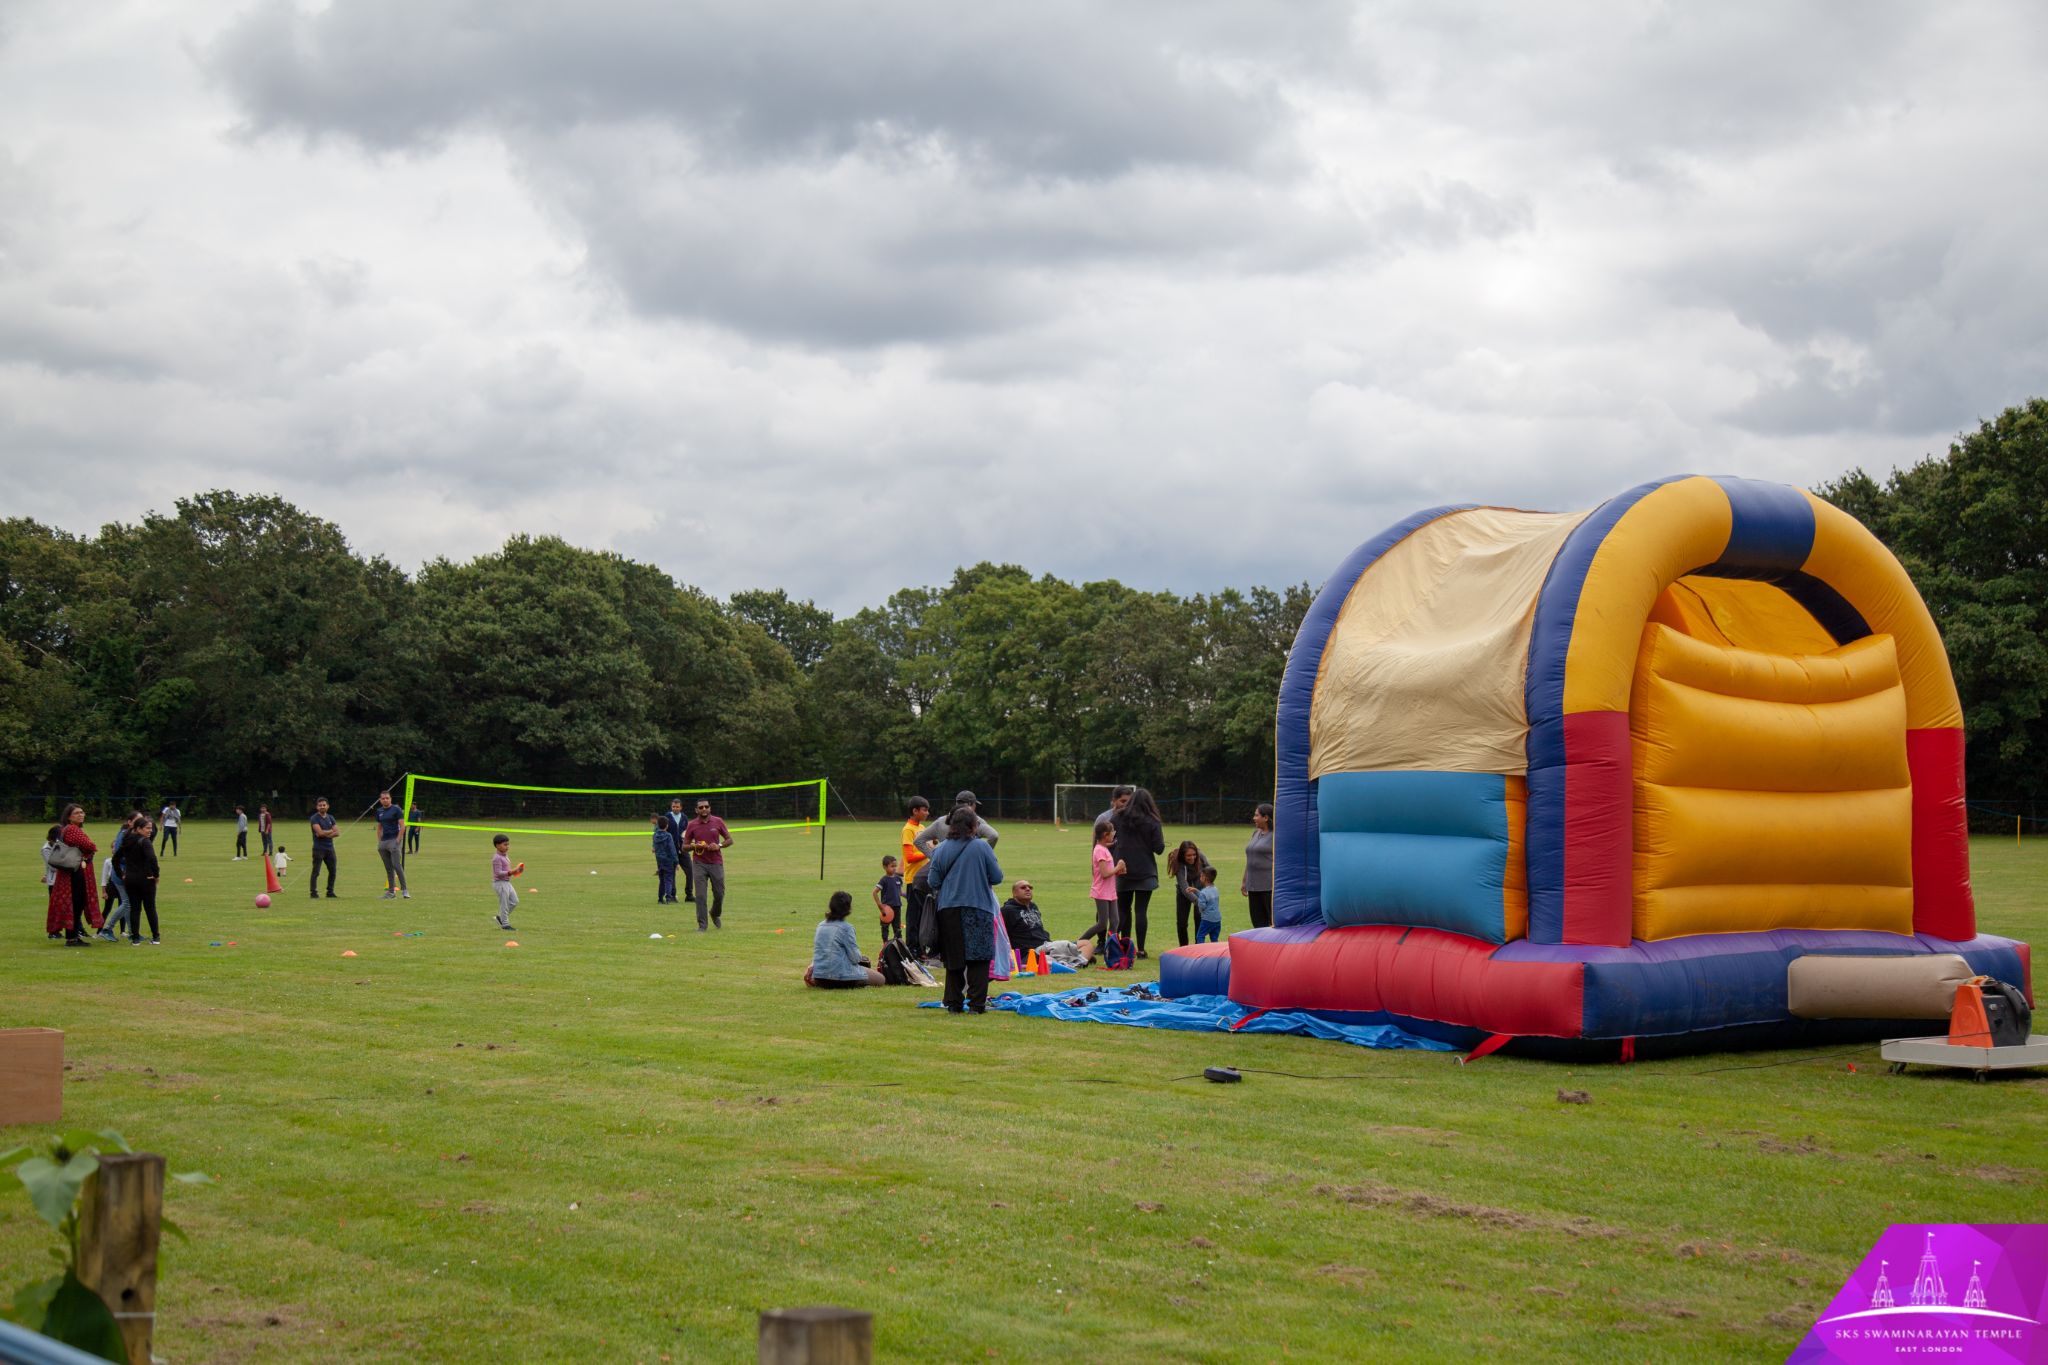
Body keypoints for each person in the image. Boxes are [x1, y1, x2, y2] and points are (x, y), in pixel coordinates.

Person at [925, 805, 1004, 1014]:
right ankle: (977, 1005)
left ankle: (953, 1003)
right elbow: (997, 877)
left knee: (954, 959)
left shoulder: (940, 849)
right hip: (978, 907)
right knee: (979, 958)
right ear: (972, 826)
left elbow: (933, 880)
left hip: (949, 909)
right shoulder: (982, 847)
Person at [1112, 788, 1166, 957]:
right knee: (1141, 911)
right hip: (1145, 870)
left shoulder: (1118, 818)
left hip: (1122, 870)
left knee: (1123, 910)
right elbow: (1159, 849)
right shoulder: (1152, 821)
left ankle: (1122, 946)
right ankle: (1141, 949)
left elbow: (1111, 840)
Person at [44, 803, 101, 946]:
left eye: (82, 812)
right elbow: (90, 846)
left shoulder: (68, 829)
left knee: (77, 903)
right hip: (75, 872)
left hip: (73, 871)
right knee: (77, 903)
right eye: (77, 813)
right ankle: (72, 938)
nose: (81, 815)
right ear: (69, 817)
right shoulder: (72, 829)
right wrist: (91, 848)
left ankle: (73, 936)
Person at [805, 891, 886, 988]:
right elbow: (855, 958)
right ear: (848, 908)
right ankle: (859, 984)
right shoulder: (846, 928)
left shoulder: (820, 925)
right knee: (881, 979)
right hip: (840, 977)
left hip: (820, 977)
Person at [683, 798, 732, 930]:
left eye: (706, 806)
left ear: (710, 808)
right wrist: (695, 845)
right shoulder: (692, 825)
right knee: (700, 896)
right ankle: (702, 925)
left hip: (716, 862)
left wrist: (719, 845)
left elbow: (729, 840)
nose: (704, 809)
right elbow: (684, 846)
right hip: (699, 863)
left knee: (719, 893)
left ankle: (715, 914)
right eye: (701, 807)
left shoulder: (718, 821)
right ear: (696, 810)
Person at [116, 817, 161, 944]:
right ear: (138, 829)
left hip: (130, 880)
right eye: (147, 828)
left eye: (151, 828)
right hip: (146, 879)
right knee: (150, 908)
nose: (150, 831)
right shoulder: (145, 842)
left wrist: (121, 874)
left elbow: (115, 859)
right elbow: (152, 859)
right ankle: (155, 937)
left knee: (135, 909)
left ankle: (135, 938)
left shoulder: (127, 841)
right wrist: (156, 875)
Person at [1169, 840, 1217, 948]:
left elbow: (1210, 871)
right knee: (1182, 923)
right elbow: (1184, 887)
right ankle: (1183, 949)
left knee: (1199, 921)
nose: (1192, 858)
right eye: (1188, 855)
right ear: (1183, 855)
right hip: (1184, 892)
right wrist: (1197, 901)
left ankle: (1198, 948)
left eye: (1194, 854)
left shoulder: (1200, 856)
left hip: (1200, 890)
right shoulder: (1178, 863)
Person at [1081, 822, 1122, 945]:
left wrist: (1119, 870)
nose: (1114, 834)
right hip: (1101, 892)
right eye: (1112, 832)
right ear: (1105, 835)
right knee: (1102, 923)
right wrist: (1118, 867)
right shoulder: (1099, 850)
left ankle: (1111, 949)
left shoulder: (1104, 848)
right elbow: (1104, 874)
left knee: (1115, 921)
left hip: (1110, 891)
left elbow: (1109, 872)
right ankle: (1078, 943)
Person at [98, 815, 136, 942]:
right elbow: (119, 856)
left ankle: (132, 933)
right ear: (129, 822)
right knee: (126, 903)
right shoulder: (124, 835)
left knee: (128, 904)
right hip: (122, 874)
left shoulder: (129, 834)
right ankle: (107, 929)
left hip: (124, 873)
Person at [898, 797, 931, 944]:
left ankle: (922, 947)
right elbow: (909, 856)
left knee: (924, 915)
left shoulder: (923, 828)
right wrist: (929, 851)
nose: (927, 813)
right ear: (915, 811)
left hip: (925, 879)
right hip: (913, 879)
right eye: (924, 810)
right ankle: (912, 949)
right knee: (913, 916)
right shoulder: (908, 830)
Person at [1242, 802, 1275, 929]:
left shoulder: (1276, 836)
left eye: (1256, 815)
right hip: (1253, 886)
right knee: (1257, 923)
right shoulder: (1255, 833)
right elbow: (1250, 859)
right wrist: (1244, 881)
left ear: (1266, 818)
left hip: (1269, 887)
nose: (1254, 818)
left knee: (1271, 924)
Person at [999, 879, 1050, 959]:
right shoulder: (1007, 911)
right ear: (1014, 893)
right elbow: (1001, 936)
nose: (1028, 889)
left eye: (1030, 887)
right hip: (1029, 953)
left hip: (1045, 946)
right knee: (1064, 946)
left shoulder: (1033, 906)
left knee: (1072, 946)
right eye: (1023, 887)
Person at [374, 791, 409, 899]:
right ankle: (391, 892)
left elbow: (402, 826)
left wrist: (398, 839)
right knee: (388, 868)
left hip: (394, 840)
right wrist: (380, 841)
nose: (385, 800)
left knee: (396, 865)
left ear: (390, 799)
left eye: (387, 798)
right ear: (380, 800)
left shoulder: (396, 809)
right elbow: (379, 827)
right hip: (384, 842)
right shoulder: (379, 811)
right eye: (383, 798)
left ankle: (405, 890)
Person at [663, 798, 694, 904]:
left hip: (683, 850)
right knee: (671, 873)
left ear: (681, 807)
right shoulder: (666, 817)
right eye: (673, 807)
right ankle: (672, 895)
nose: (675, 808)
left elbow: (687, 832)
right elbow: (661, 831)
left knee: (690, 871)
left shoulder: (684, 818)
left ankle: (689, 895)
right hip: (671, 851)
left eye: (677, 807)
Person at [308, 797, 339, 898]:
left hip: (330, 849)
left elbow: (337, 833)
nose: (322, 807)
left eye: (324, 805)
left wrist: (325, 832)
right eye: (320, 805)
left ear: (328, 806)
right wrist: (330, 831)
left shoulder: (331, 817)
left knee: (333, 871)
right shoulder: (314, 818)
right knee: (316, 871)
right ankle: (313, 892)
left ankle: (330, 892)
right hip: (318, 849)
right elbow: (319, 833)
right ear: (317, 807)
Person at [490, 834, 523, 930]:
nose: (507, 847)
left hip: (507, 882)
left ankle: (500, 918)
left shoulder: (505, 856)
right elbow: (498, 873)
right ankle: (505, 925)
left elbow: (508, 871)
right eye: (505, 845)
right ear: (497, 845)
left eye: (508, 844)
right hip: (500, 883)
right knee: (504, 904)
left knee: (514, 901)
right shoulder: (497, 858)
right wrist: (512, 871)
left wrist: (516, 871)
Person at [873, 855, 904, 947]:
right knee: (885, 928)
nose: (894, 868)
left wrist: (909, 896)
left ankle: (899, 944)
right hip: (887, 908)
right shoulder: (884, 880)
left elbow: (900, 893)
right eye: (892, 866)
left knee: (897, 928)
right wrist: (880, 906)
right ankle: (885, 945)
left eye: (895, 866)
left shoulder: (898, 879)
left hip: (897, 907)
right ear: (885, 867)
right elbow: (875, 892)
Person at [652, 812, 679, 904]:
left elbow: (655, 849)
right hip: (668, 861)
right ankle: (668, 897)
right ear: (667, 826)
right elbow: (672, 850)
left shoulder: (655, 836)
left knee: (661, 880)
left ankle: (660, 898)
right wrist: (676, 862)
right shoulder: (668, 836)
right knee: (668, 879)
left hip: (659, 861)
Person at [1192, 866, 1223, 944]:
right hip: (1217, 919)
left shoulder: (1203, 892)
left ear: (1204, 878)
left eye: (1201, 876)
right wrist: (1196, 891)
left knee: (1200, 936)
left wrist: (1198, 903)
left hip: (1207, 919)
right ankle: (1215, 954)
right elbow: (1207, 896)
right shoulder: (1215, 889)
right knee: (1214, 938)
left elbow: (1202, 906)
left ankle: (1201, 952)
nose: (1200, 877)